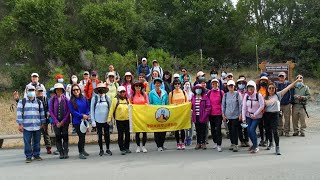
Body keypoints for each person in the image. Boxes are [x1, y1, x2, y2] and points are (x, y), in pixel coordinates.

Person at [264, 78, 302, 155]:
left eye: (273, 88)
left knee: (275, 131)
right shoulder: (265, 97)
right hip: (267, 115)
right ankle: (271, 142)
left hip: (275, 114)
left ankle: (277, 147)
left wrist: (297, 81)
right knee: (268, 130)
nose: (271, 89)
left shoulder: (278, 95)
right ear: (267, 89)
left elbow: (288, 87)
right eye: (270, 88)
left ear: (275, 89)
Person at [16, 84, 46, 163]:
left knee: (37, 141)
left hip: (37, 125)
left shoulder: (39, 102)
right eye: (29, 90)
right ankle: (28, 156)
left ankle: (36, 155)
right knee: (27, 142)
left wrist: (43, 123)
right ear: (26, 91)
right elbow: (19, 113)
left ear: (35, 91)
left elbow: (42, 113)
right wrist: (20, 124)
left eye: (32, 90)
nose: (31, 92)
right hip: (26, 126)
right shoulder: (22, 102)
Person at [242, 80, 265, 154]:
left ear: (254, 88)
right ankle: (254, 144)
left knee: (252, 129)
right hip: (248, 116)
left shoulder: (259, 95)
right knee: (248, 131)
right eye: (249, 87)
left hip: (257, 116)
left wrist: (255, 114)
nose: (250, 89)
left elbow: (262, 106)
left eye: (252, 87)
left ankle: (256, 146)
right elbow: (244, 107)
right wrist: (243, 117)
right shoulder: (246, 96)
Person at [69, 84, 90, 159]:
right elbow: (72, 111)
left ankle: (83, 150)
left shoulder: (84, 98)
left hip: (84, 120)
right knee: (81, 136)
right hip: (77, 121)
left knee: (83, 136)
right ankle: (80, 152)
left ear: (79, 90)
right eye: (74, 90)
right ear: (72, 91)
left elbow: (87, 107)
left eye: (77, 89)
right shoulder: (71, 101)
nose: (75, 91)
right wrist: (81, 115)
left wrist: (86, 114)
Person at [90, 83, 112, 156]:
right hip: (98, 120)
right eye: (99, 89)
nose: (101, 90)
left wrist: (110, 119)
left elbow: (110, 109)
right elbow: (92, 110)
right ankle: (101, 149)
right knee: (99, 135)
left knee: (107, 135)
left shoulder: (107, 98)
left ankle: (108, 149)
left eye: (102, 89)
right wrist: (93, 121)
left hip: (106, 120)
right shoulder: (94, 99)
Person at [108, 86, 131, 155]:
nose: (123, 93)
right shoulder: (115, 100)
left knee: (127, 134)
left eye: (124, 91)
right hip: (119, 120)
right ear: (118, 92)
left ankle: (127, 147)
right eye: (121, 92)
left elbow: (130, 108)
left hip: (127, 120)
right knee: (121, 135)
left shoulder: (127, 99)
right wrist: (109, 118)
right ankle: (122, 148)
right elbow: (111, 109)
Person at [49, 83, 70, 159]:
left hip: (65, 122)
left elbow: (68, 111)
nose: (59, 91)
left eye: (60, 89)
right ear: (55, 90)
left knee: (65, 136)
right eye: (57, 89)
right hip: (56, 122)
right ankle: (60, 151)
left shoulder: (66, 99)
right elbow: (50, 111)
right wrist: (56, 121)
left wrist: (63, 121)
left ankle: (66, 151)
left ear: (62, 90)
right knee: (58, 137)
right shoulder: (52, 99)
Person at [222, 80, 243, 152]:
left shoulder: (237, 94)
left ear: (234, 86)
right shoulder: (225, 95)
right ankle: (232, 143)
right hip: (228, 116)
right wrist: (223, 115)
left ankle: (236, 144)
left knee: (235, 130)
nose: (231, 87)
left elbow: (240, 105)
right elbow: (223, 106)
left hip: (236, 115)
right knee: (230, 130)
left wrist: (240, 114)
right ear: (227, 87)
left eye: (232, 85)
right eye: (229, 86)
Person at [129, 80, 150, 153]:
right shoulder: (132, 96)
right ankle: (138, 146)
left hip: (143, 115)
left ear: (141, 87)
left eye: (139, 86)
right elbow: (130, 105)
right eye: (136, 86)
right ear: (134, 87)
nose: (138, 87)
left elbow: (148, 103)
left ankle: (143, 146)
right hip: (136, 116)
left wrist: (146, 105)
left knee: (144, 132)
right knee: (137, 132)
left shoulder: (144, 94)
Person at [149, 78, 169, 151]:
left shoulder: (164, 92)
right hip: (155, 112)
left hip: (163, 112)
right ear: (154, 84)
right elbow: (150, 103)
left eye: (159, 83)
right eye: (156, 83)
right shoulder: (151, 93)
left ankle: (162, 144)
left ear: (161, 84)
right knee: (157, 129)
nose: (158, 84)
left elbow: (167, 102)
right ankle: (158, 145)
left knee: (163, 129)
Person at [169, 79, 188, 150]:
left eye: (178, 84)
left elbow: (187, 102)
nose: (177, 85)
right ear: (173, 85)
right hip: (175, 113)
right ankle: (178, 143)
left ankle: (183, 142)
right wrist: (174, 105)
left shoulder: (184, 92)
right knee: (176, 129)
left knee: (182, 128)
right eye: (175, 84)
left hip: (183, 112)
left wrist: (184, 104)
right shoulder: (171, 93)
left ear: (180, 85)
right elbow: (169, 104)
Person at [191, 84, 211, 150]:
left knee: (204, 130)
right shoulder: (193, 98)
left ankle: (204, 143)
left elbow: (208, 107)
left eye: (199, 88)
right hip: (196, 116)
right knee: (198, 130)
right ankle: (198, 143)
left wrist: (205, 115)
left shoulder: (205, 97)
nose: (198, 90)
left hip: (203, 117)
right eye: (197, 88)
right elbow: (190, 106)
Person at [207, 79, 225, 152]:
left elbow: (223, 103)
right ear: (211, 85)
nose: (215, 85)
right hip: (211, 114)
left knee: (218, 129)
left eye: (216, 83)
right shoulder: (209, 92)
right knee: (213, 129)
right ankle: (215, 141)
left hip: (219, 114)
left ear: (218, 84)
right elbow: (207, 102)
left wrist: (223, 114)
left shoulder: (221, 92)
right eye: (213, 84)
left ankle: (219, 144)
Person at [274, 72, 293, 137]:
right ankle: (280, 131)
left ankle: (287, 131)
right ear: (278, 77)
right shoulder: (275, 84)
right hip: (278, 104)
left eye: (283, 76)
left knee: (287, 118)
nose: (281, 78)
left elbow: (292, 93)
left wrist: (291, 101)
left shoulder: (288, 84)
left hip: (287, 104)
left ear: (285, 77)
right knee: (279, 118)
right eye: (280, 76)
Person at [236, 78, 249, 147]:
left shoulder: (247, 92)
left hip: (246, 112)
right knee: (239, 128)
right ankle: (241, 141)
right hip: (238, 112)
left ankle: (246, 140)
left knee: (246, 127)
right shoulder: (236, 93)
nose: (241, 85)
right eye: (239, 83)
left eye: (243, 83)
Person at [257, 76, 269, 147]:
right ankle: (262, 139)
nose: (263, 82)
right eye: (262, 81)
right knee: (260, 126)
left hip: (267, 111)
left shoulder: (268, 90)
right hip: (260, 111)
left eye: (265, 81)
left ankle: (266, 140)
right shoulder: (258, 90)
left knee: (267, 126)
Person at [184, 81, 194, 146]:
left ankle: (190, 138)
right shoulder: (183, 93)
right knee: (185, 126)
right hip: (184, 111)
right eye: (186, 84)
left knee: (191, 125)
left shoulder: (192, 94)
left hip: (191, 111)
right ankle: (185, 138)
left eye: (188, 84)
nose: (187, 85)